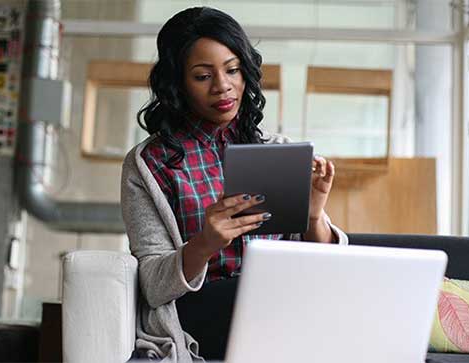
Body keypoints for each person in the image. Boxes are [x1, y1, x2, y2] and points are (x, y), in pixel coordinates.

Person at [121, 7, 348, 363]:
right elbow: (152, 285)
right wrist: (206, 243)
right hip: (204, 310)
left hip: (280, 303)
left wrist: (313, 216)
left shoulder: (276, 151)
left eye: (232, 70)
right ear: (177, 82)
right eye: (202, 76)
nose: (223, 86)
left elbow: (328, 268)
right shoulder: (150, 164)